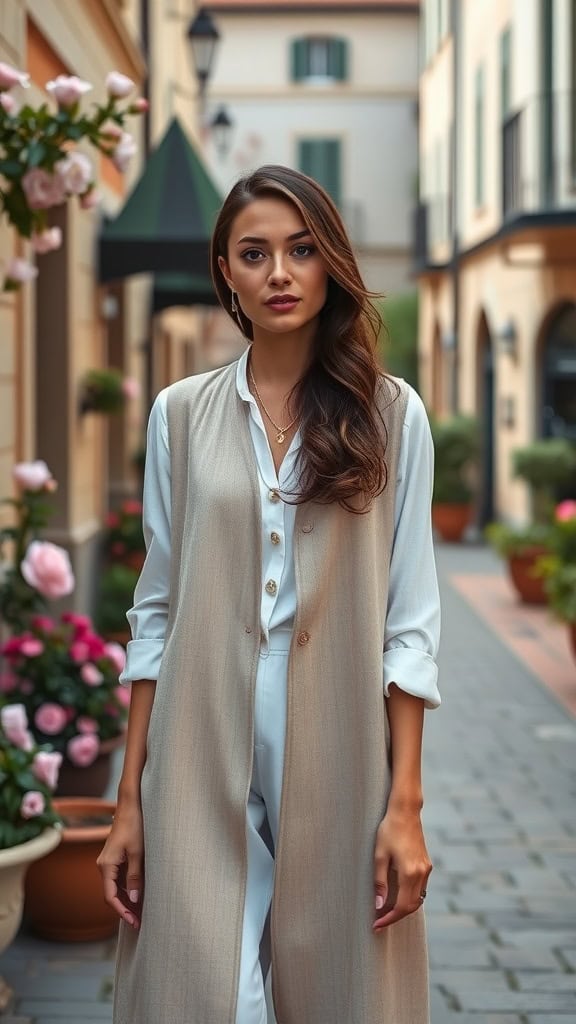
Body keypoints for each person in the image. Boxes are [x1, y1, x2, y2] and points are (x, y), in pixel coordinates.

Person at [98, 164, 441, 1024]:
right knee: (204, 991)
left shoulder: (393, 416)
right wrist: (127, 800)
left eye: (301, 250)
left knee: (339, 985)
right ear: (226, 274)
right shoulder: (178, 414)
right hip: (197, 732)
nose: (280, 274)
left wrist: (405, 806)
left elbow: (412, 624)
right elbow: (157, 609)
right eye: (254, 254)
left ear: (331, 264)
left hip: (342, 742)